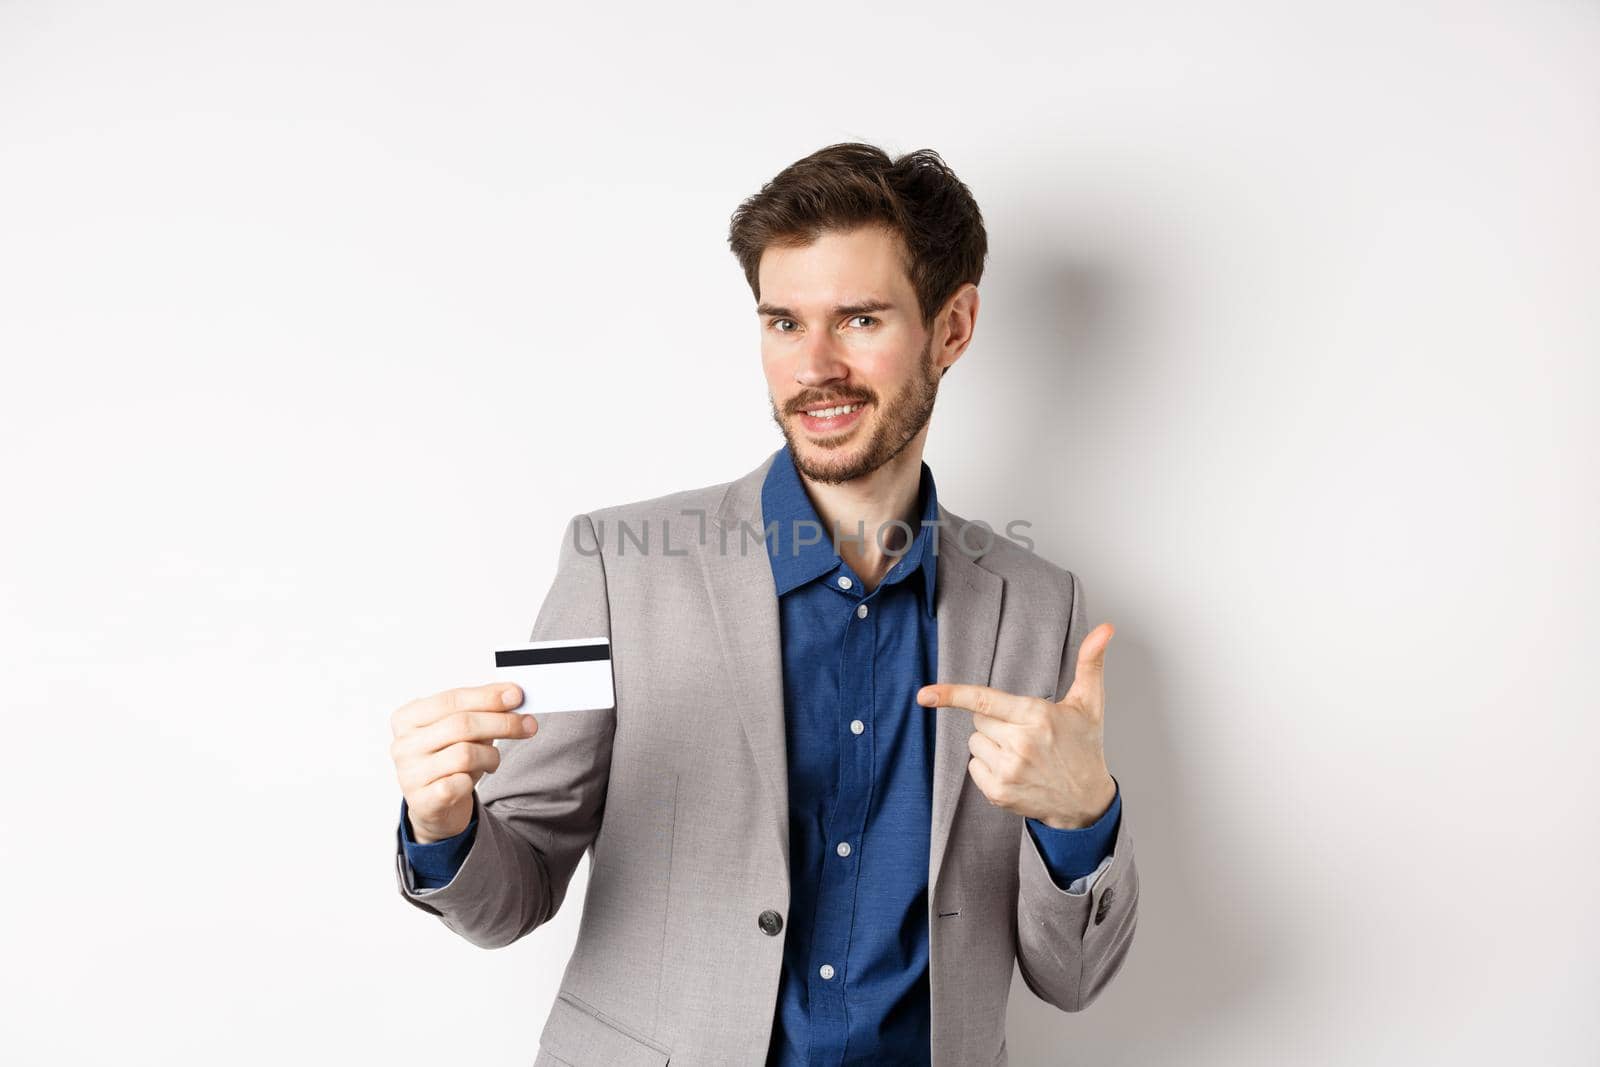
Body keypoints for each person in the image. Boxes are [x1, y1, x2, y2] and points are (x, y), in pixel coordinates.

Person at [388, 142, 1139, 1067]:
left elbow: (1074, 978)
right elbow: (514, 889)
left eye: (859, 319)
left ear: (952, 327)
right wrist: (444, 825)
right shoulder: (609, 563)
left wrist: (1082, 816)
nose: (812, 365)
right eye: (783, 322)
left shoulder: (1042, 608)